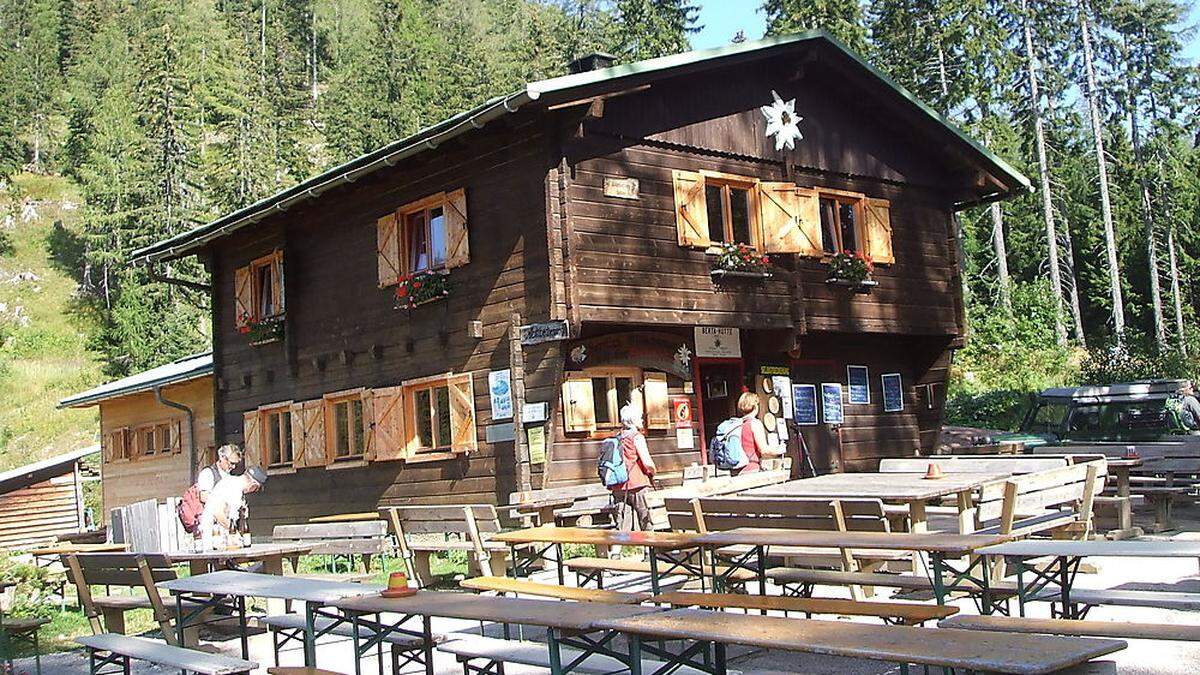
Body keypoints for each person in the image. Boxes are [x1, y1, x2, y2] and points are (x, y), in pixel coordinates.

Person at [609, 403, 657, 532]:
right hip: (638, 484)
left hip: (619, 486)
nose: (642, 420)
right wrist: (653, 471)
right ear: (633, 419)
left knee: (622, 525)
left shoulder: (617, 438)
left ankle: (616, 551)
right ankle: (650, 550)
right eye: (640, 417)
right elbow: (647, 462)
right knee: (646, 521)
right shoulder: (637, 437)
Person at [199, 466, 267, 550]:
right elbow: (218, 512)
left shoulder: (234, 484)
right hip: (213, 535)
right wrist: (234, 533)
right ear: (253, 485)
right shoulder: (233, 488)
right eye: (256, 489)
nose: (253, 491)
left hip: (220, 536)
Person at [733, 391, 778, 475]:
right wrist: (779, 450)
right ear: (755, 406)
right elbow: (764, 450)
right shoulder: (755, 423)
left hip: (735, 471)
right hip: (751, 469)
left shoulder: (736, 424)